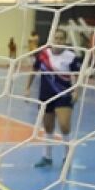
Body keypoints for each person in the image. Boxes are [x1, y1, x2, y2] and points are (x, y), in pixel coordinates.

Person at [31, 29, 82, 169]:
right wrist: (27, 88)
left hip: (63, 95)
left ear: (65, 41)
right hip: (46, 95)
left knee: (64, 125)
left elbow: (77, 75)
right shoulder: (43, 54)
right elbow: (34, 70)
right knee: (48, 127)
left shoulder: (71, 57)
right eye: (56, 38)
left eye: (61, 38)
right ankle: (47, 157)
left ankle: (67, 157)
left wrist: (76, 91)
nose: (58, 41)